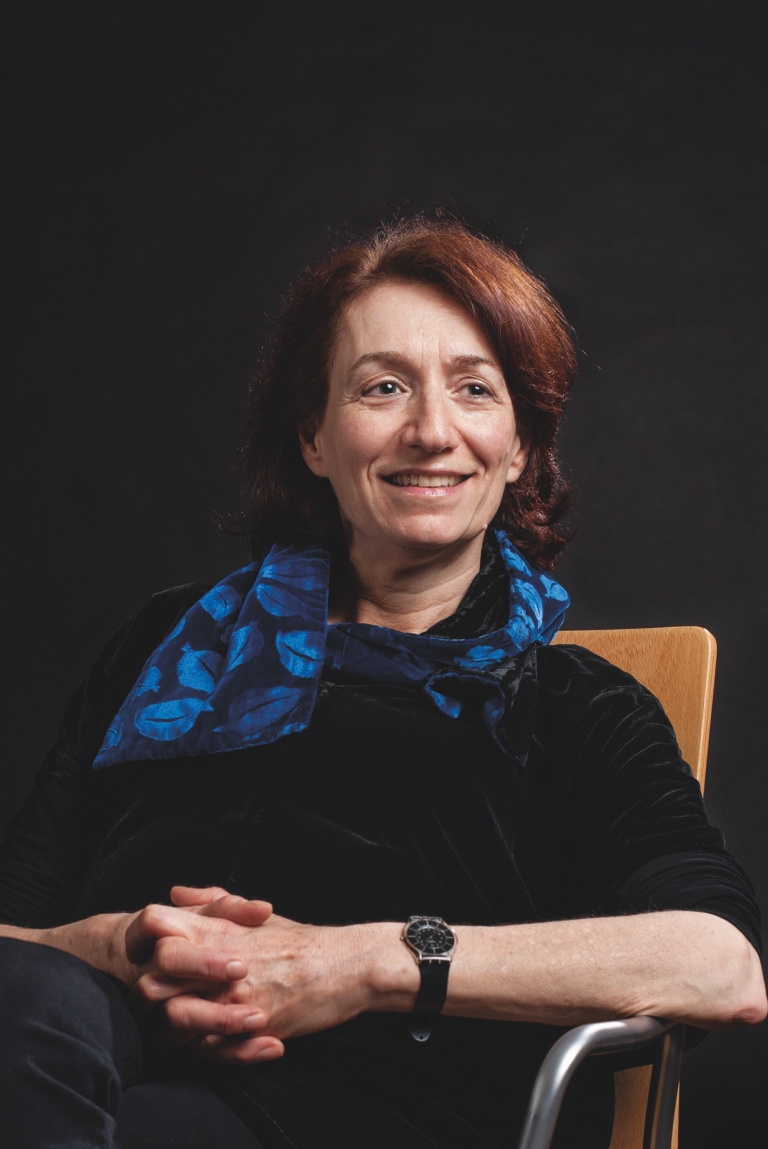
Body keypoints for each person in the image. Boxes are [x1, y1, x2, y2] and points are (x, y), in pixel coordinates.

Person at [0, 218, 764, 1149]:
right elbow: (14, 939)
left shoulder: (575, 710)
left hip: (363, 1113)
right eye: (384, 386)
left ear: (519, 446)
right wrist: (122, 947)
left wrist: (360, 960)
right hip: (75, 1066)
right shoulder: (167, 645)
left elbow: (720, 965)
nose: (432, 430)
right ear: (315, 435)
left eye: (475, 390)